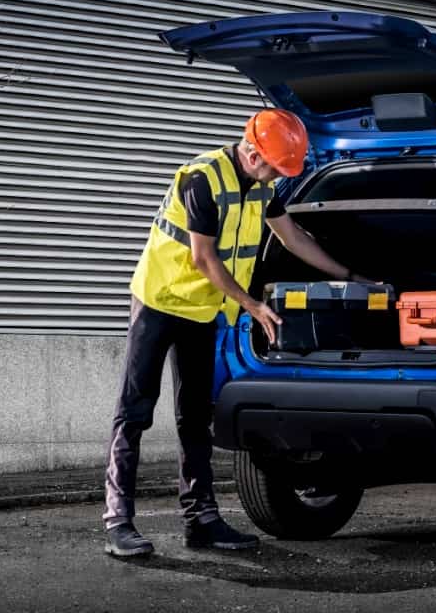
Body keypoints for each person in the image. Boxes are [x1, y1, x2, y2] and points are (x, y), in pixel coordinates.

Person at [103, 108, 369, 557]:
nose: (276, 177)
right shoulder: (201, 180)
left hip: (203, 311)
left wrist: (349, 276)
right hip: (159, 303)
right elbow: (203, 259)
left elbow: (292, 238)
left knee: (194, 417)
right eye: (275, 167)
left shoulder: (261, 188)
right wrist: (252, 305)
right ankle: (118, 523)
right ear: (252, 151)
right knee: (134, 413)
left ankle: (202, 520)